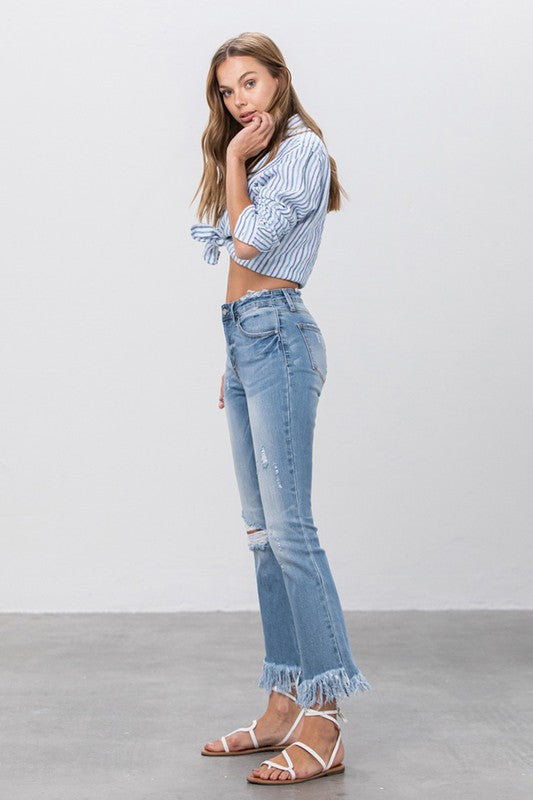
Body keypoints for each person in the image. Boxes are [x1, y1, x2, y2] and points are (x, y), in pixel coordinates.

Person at [190, 31, 371, 786]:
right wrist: (234, 359)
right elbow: (230, 258)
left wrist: (234, 162)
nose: (240, 101)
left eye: (250, 83)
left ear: (279, 81)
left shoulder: (298, 150)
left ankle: (324, 722)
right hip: (246, 341)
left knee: (292, 533)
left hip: (279, 338)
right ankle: (282, 705)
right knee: (263, 537)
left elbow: (250, 246)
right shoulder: (265, 155)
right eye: (227, 90)